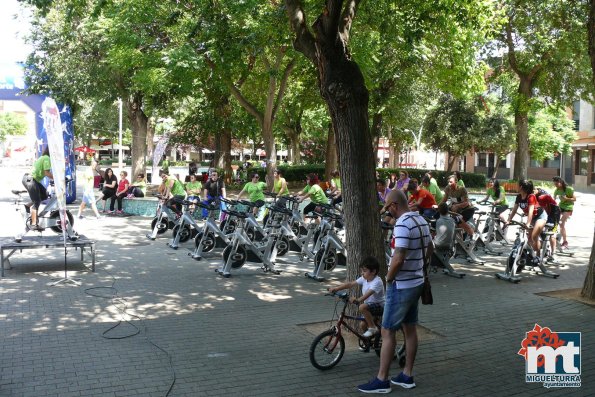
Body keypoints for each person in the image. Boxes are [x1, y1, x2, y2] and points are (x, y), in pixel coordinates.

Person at [358, 189, 432, 393]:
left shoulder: (402, 224)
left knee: (387, 330)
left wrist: (389, 278)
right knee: (409, 329)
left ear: (394, 206)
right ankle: (407, 375)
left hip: (401, 285)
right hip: (416, 283)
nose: (389, 213)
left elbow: (398, 257)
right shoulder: (421, 221)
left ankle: (382, 380)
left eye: (389, 208)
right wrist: (419, 265)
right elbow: (430, 248)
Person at [328, 256, 385, 339]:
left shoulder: (377, 282)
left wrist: (358, 300)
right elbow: (350, 284)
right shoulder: (364, 279)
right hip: (370, 307)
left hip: (380, 306)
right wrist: (336, 288)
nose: (362, 273)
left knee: (362, 307)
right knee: (362, 325)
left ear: (373, 271)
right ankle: (371, 342)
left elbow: (367, 294)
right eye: (362, 270)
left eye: (364, 271)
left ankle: (373, 328)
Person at [505, 180, 547, 256]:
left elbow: (531, 211)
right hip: (532, 218)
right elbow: (514, 210)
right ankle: (533, 253)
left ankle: (538, 256)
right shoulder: (518, 196)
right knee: (530, 239)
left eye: (517, 185)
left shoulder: (531, 196)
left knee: (534, 236)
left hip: (540, 216)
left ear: (521, 187)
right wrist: (508, 220)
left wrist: (528, 223)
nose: (516, 186)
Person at [21, 146, 53, 230]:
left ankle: (27, 206)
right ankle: (34, 224)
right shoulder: (47, 158)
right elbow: (47, 173)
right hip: (30, 179)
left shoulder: (44, 157)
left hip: (31, 179)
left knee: (44, 195)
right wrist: (58, 179)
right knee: (37, 201)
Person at [534, 188, 561, 262]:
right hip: (546, 212)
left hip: (554, 213)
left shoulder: (541, 197)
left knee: (552, 234)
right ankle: (542, 251)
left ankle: (553, 254)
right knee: (539, 231)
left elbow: (546, 210)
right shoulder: (534, 196)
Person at [552, 176, 575, 251]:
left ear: (561, 182)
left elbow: (574, 199)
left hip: (568, 207)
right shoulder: (557, 190)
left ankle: (565, 242)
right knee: (554, 221)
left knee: (561, 223)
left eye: (557, 184)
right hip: (560, 206)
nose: (556, 186)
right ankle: (556, 236)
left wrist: (567, 199)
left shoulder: (569, 189)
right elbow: (553, 200)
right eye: (555, 185)